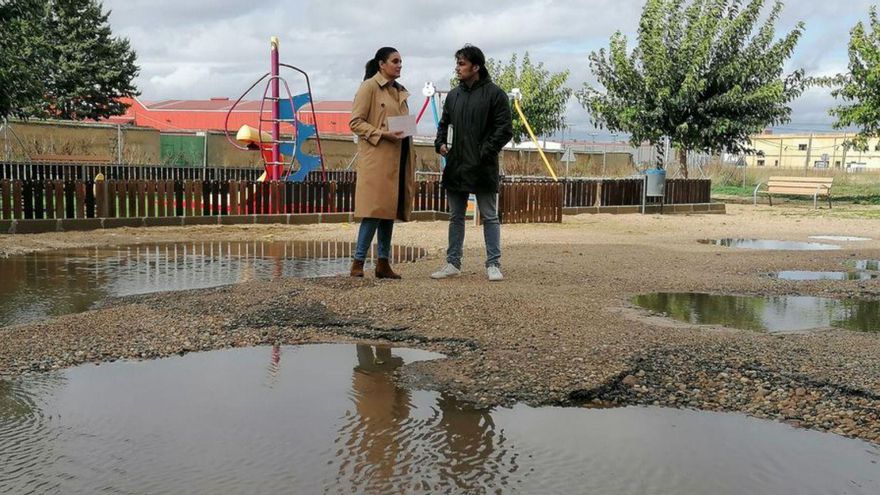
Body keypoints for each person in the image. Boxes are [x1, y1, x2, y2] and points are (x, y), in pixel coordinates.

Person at [432, 44, 513, 282]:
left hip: (482, 166)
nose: (457, 68)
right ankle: (452, 263)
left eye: (462, 63)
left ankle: (493, 264)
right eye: (457, 63)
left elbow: (504, 129)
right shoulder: (454, 96)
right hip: (456, 165)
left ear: (476, 67)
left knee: (489, 216)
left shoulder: (496, 94)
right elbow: (444, 124)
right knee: (456, 216)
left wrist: (483, 152)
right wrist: (440, 145)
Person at [349, 47, 416, 279]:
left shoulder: (400, 91)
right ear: (381, 64)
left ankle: (383, 263)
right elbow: (355, 122)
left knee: (389, 211)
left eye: (401, 61)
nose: (399, 65)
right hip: (377, 158)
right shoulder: (369, 87)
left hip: (399, 157)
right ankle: (358, 262)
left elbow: (403, 125)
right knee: (373, 211)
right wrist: (381, 133)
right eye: (395, 61)